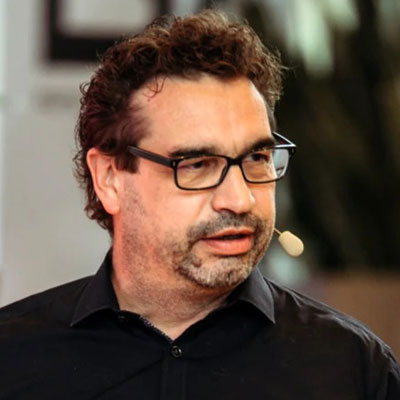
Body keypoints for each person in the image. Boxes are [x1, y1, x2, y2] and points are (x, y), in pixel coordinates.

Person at [0, 9, 399, 399]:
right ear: (110, 178)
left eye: (256, 158)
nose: (240, 199)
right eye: (196, 165)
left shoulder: (353, 370)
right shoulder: (13, 359)